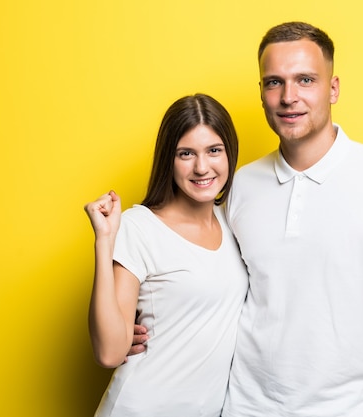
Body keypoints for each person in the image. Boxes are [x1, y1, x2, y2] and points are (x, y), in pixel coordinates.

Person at [132, 22, 363, 416]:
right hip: (246, 407)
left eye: (305, 80)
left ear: (333, 89)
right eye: (274, 82)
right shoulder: (240, 184)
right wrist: (137, 322)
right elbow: (211, 279)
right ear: (261, 94)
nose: (288, 97)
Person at [83, 93, 248, 417]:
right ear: (168, 159)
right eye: (186, 154)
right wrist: (105, 241)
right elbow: (110, 352)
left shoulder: (234, 222)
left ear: (229, 152)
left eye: (214, 150)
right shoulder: (139, 227)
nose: (202, 167)